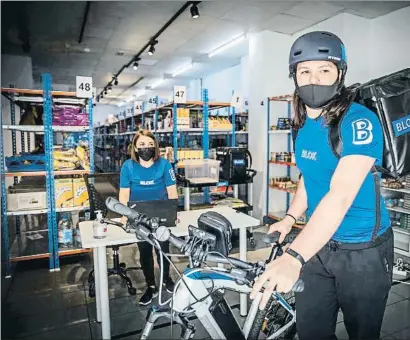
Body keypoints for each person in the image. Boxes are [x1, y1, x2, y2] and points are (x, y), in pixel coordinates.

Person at [251, 31, 394, 340]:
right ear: (295, 77)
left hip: (363, 251)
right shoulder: (303, 125)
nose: (313, 79)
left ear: (339, 74)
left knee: (362, 334)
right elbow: (309, 177)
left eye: (324, 70)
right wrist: (289, 220)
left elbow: (340, 195)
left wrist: (294, 257)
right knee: (312, 330)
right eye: (305, 71)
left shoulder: (359, 122)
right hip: (318, 245)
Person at [119, 129, 178, 305]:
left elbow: (172, 191)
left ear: (156, 147)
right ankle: (151, 286)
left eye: (151, 145)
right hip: (138, 216)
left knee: (163, 249)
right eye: (142, 145)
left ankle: (166, 279)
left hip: (161, 215)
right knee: (145, 250)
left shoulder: (165, 165)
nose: (147, 148)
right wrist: (124, 214)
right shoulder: (128, 166)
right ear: (135, 148)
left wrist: (174, 212)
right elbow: (124, 193)